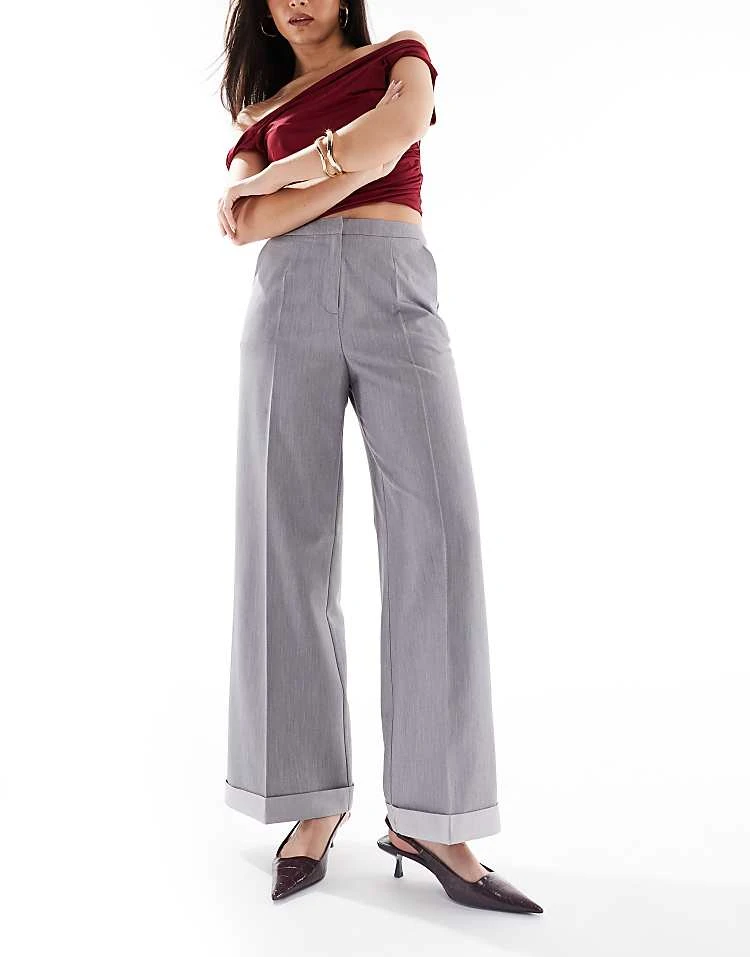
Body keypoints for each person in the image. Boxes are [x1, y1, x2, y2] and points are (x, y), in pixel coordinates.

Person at [217, 0, 543, 914]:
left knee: (442, 532)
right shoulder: (259, 106)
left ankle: (434, 817)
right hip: (285, 301)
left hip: (396, 287)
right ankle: (309, 799)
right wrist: (338, 162)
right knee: (285, 543)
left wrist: (282, 178)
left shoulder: (404, 56)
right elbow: (245, 225)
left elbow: (393, 134)